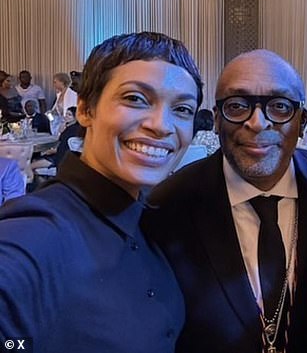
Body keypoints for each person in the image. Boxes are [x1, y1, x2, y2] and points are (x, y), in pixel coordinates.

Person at [0, 31, 204, 352]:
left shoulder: (149, 217)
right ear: (85, 109)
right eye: (136, 98)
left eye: (182, 109)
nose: (162, 125)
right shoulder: (37, 234)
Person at [144, 49, 307, 353]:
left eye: (279, 106)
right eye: (237, 106)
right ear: (217, 120)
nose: (258, 123)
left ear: (301, 121)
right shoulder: (168, 206)